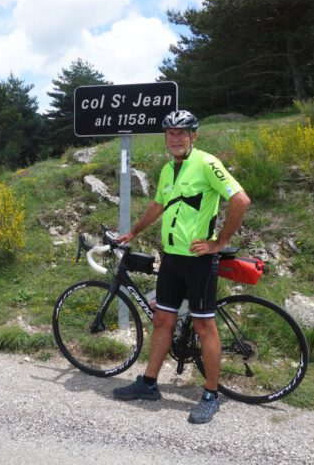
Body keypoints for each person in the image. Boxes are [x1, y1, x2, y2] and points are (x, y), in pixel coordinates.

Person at [113, 109, 251, 424]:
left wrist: (218, 243)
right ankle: (148, 383)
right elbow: (159, 204)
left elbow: (240, 200)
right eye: (170, 133)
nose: (175, 138)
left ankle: (211, 394)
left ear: (193, 136)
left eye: (181, 133)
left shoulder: (207, 163)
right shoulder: (167, 170)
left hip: (199, 261)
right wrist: (134, 231)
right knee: (162, 319)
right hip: (172, 257)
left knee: (204, 327)